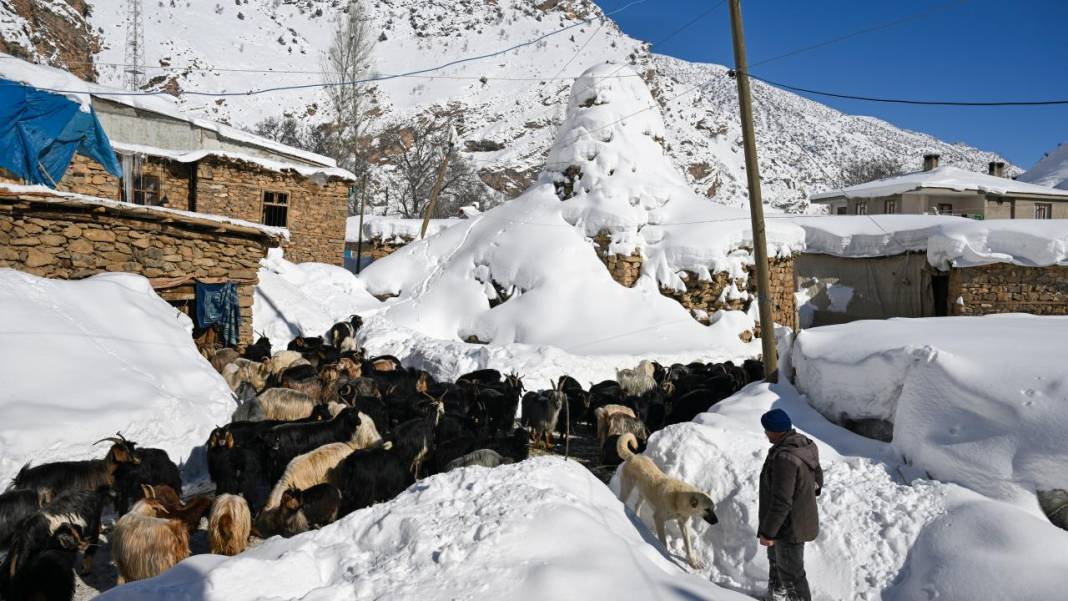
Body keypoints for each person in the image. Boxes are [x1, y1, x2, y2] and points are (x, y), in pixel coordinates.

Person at [757, 409, 823, 601]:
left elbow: (782, 500)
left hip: (788, 526)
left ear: (775, 432)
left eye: (767, 430)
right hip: (787, 521)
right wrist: (807, 491)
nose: (765, 434)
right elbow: (817, 477)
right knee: (777, 563)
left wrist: (768, 532)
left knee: (791, 574)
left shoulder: (785, 457)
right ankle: (776, 596)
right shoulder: (803, 445)